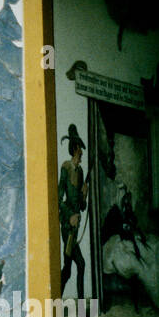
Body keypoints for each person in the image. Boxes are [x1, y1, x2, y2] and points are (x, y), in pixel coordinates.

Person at [59, 124, 90, 298]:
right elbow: (59, 199)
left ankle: (56, 301)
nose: (82, 153)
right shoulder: (66, 167)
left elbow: (82, 207)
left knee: (68, 270)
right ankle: (81, 311)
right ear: (75, 149)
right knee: (81, 264)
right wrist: (69, 216)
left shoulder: (81, 171)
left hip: (75, 228)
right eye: (79, 149)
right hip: (67, 227)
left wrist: (84, 195)